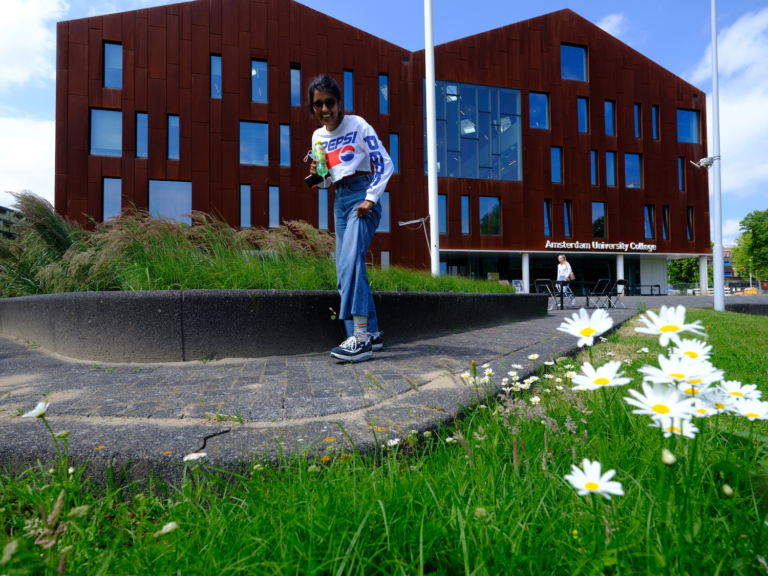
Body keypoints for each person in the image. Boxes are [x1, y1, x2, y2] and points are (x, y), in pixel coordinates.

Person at [307, 74, 393, 363]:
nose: (324, 109)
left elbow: (384, 162)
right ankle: (373, 333)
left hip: (362, 195)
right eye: (317, 104)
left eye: (329, 102)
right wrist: (316, 176)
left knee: (349, 263)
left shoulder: (357, 125)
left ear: (339, 102)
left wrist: (371, 197)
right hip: (339, 200)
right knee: (346, 266)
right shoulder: (318, 136)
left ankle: (359, 338)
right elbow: (325, 182)